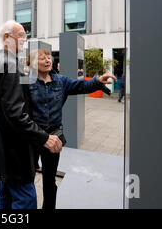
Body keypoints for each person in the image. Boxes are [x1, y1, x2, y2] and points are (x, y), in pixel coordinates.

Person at [25, 48, 116, 209]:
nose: (48, 60)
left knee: (49, 181)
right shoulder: (27, 83)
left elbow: (82, 85)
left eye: (48, 57)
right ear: (32, 64)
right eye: (42, 58)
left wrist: (97, 81)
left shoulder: (61, 81)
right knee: (27, 177)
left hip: (54, 137)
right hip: (33, 137)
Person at [0, 20, 62, 210]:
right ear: (7, 38)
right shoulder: (10, 65)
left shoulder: (0, 61)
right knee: (25, 200)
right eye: (21, 35)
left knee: (5, 196)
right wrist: (44, 137)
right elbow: (16, 114)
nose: (25, 40)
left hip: (5, 150)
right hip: (17, 152)